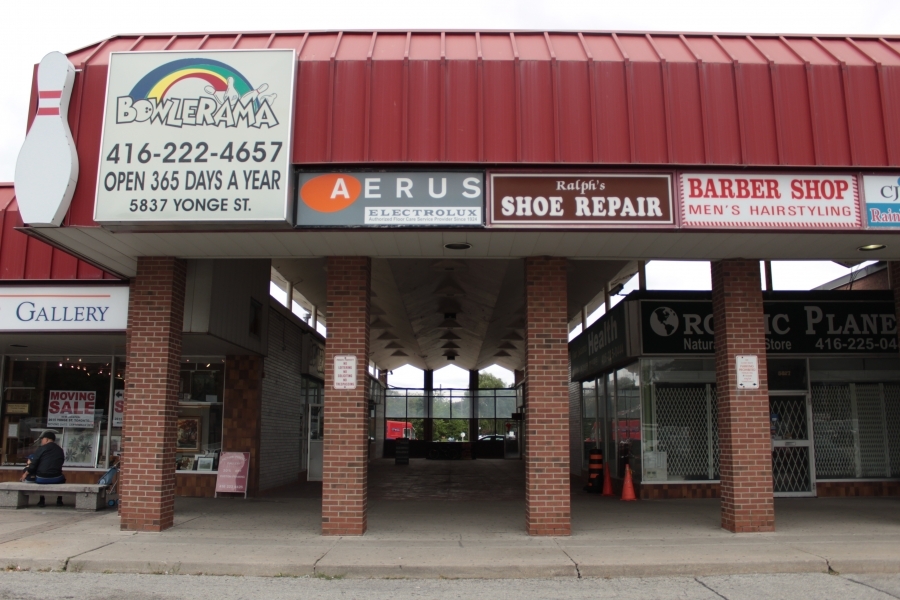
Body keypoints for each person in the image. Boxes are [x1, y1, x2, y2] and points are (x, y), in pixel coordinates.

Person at [20, 431, 65, 507]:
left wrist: (25, 474)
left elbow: (34, 464)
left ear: (47, 439)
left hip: (41, 478)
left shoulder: (41, 449)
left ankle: (41, 500)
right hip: (57, 478)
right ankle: (59, 500)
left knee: (34, 477)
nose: (41, 441)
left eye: (42, 439)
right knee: (63, 479)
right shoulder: (60, 450)